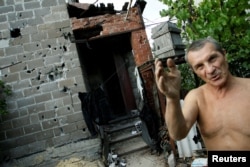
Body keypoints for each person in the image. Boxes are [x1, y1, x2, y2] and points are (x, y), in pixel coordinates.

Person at [154, 37, 250, 150]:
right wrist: (172, 98)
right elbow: (178, 134)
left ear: (224, 55)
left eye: (212, 59)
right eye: (200, 66)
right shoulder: (196, 97)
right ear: (194, 71)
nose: (210, 70)